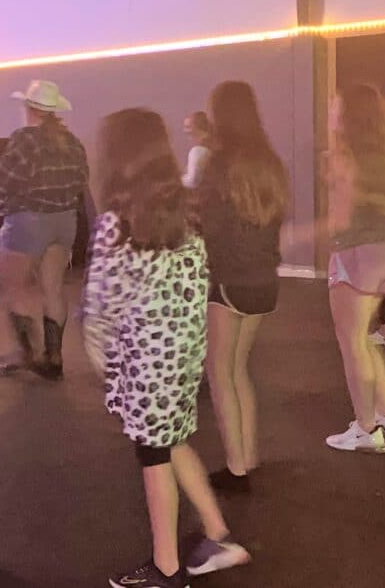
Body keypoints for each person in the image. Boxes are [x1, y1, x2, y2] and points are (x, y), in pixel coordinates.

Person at [83, 108, 250, 588]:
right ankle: (217, 535)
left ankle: (166, 568)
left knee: (153, 458)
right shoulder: (185, 211)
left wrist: (102, 362)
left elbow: (101, 306)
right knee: (173, 443)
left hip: (144, 366)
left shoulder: (119, 223)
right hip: (181, 357)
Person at [196, 82, 288, 493]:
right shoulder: (270, 163)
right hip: (264, 278)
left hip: (228, 280)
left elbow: (208, 226)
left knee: (220, 372)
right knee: (238, 370)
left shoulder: (219, 165)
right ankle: (248, 456)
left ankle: (236, 468)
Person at [323, 85, 385, 453]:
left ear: (348, 116)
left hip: (355, 255)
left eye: (335, 107)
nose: (330, 112)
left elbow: (339, 219)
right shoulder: (384, 154)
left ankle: (366, 428)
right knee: (365, 338)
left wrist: (296, 234)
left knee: (352, 344)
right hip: (384, 252)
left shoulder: (345, 157)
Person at [0, 80, 90, 380]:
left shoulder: (24, 140)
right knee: (53, 288)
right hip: (65, 220)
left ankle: (28, 354)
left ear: (29, 108)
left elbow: (2, 180)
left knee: (10, 285)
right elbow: (82, 180)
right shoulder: (71, 142)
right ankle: (54, 357)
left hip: (29, 220)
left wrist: (7, 202)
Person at [180, 111, 212, 189]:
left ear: (197, 127)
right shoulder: (214, 146)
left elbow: (192, 181)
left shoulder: (198, 151)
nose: (184, 131)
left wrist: (178, 180)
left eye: (188, 127)